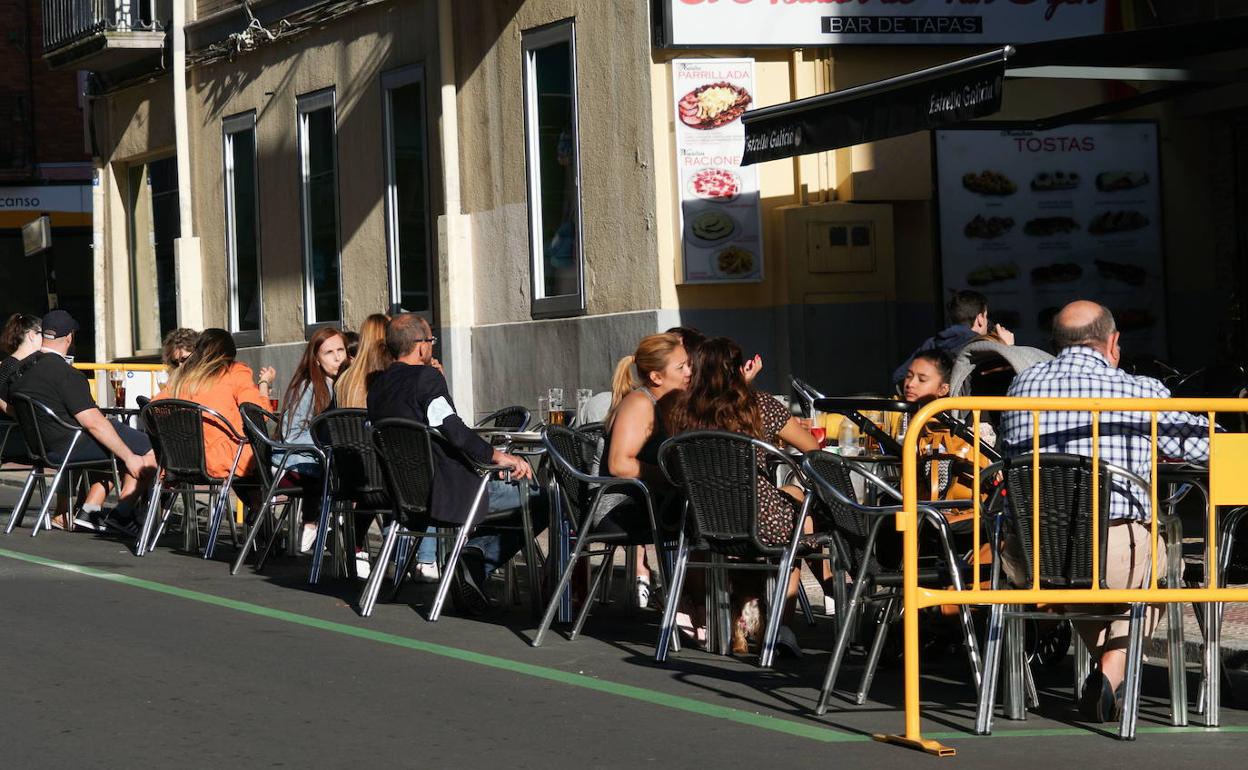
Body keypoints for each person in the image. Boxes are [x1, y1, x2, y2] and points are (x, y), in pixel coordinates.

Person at [1000, 301, 1211, 722]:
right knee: (1163, 566)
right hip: (1114, 548)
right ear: (1113, 342)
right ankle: (1112, 672)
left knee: (1081, 582)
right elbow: (1206, 447)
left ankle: (1107, 676)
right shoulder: (1140, 391)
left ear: (1056, 343)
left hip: (1030, 552)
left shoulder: (1019, 387)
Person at [367, 313, 546, 615]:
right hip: (448, 493)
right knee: (542, 499)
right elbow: (453, 429)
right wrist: (499, 456)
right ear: (421, 346)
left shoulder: (378, 388)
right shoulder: (426, 378)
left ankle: (471, 558)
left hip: (405, 497)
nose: (432, 346)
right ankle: (473, 560)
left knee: (516, 500)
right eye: (431, 340)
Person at [665, 336, 821, 655]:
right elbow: (812, 448)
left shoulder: (681, 411)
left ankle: (736, 616)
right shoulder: (758, 405)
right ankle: (779, 628)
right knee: (799, 519)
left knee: (788, 501)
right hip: (758, 520)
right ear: (737, 370)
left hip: (704, 521)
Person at [8, 310, 157, 532]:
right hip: (69, 446)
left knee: (111, 438)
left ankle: (90, 510)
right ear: (69, 337)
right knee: (149, 446)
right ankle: (123, 512)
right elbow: (92, 422)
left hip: (39, 448)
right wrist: (129, 457)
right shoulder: (66, 373)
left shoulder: (21, 371)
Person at [604, 332, 691, 608]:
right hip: (618, 509)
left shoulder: (667, 404)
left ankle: (692, 602)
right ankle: (690, 604)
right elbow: (619, 463)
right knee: (706, 518)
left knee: (712, 512)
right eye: (681, 367)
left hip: (647, 503)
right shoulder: (641, 404)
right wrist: (668, 478)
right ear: (656, 376)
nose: (689, 372)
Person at [153, 327, 269, 493]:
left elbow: (154, 407)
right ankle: (262, 504)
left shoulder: (180, 380)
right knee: (257, 452)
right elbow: (258, 415)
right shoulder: (235, 371)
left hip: (180, 460)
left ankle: (257, 504)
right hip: (221, 461)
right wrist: (264, 385)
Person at [279, 327, 349, 555]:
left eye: (341, 350)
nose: (338, 357)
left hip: (321, 465)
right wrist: (327, 441)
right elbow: (291, 434)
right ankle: (325, 528)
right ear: (316, 359)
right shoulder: (309, 386)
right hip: (296, 464)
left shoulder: (344, 384)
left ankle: (329, 527)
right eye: (329, 352)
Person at [332, 313, 392, 575]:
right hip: (381, 471)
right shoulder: (385, 378)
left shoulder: (344, 379)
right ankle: (408, 556)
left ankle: (355, 544)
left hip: (348, 471)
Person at [893, 289, 1013, 386]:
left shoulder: (932, 343)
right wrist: (1008, 348)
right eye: (986, 317)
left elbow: (899, 376)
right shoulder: (986, 346)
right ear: (980, 319)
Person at [0, 313, 44, 415]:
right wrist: (21, 417)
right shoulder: (11, 365)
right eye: (42, 334)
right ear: (32, 335)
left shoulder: (13, 363)